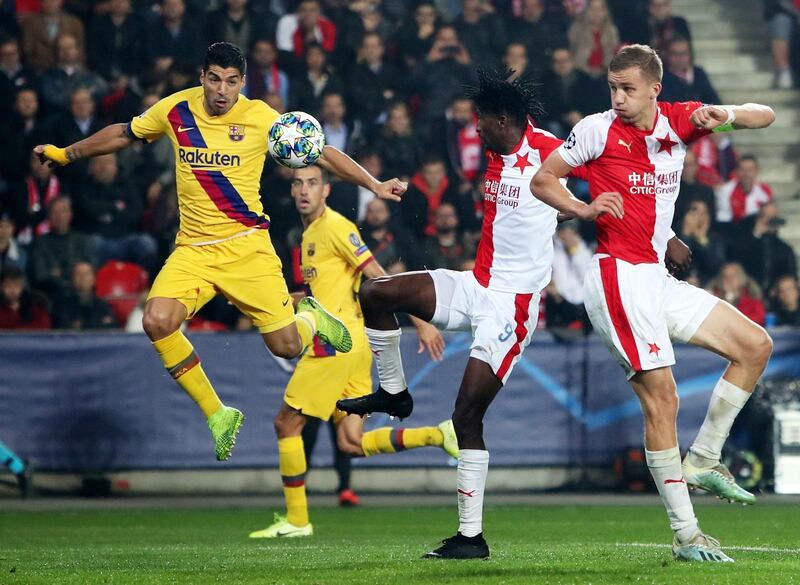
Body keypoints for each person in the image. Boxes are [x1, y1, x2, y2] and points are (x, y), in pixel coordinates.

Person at [34, 42, 407, 462]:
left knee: (285, 346)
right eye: (215, 79)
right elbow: (123, 132)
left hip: (247, 248)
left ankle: (310, 316)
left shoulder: (262, 118)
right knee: (156, 321)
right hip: (192, 250)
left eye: (231, 82)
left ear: (242, 83)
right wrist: (68, 153)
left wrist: (374, 185)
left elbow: (321, 153)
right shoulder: (174, 110)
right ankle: (218, 413)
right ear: (202, 77)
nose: (222, 90)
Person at [336, 69, 605, 560]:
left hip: (513, 306)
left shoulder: (552, 150)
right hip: (475, 284)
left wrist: (590, 210)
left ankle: (470, 536)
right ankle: (395, 394)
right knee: (376, 294)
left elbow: (602, 173)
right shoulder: (495, 153)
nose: (474, 130)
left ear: (503, 120)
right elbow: (528, 209)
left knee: (466, 416)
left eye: (479, 122)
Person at [531, 44, 775, 562]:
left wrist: (725, 116)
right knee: (663, 401)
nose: (617, 98)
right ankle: (687, 536)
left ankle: (705, 460)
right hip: (617, 276)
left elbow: (766, 115)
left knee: (755, 345)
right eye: (613, 87)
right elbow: (542, 178)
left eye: (628, 89)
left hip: (655, 277)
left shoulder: (684, 121)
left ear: (654, 90)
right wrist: (582, 206)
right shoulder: (597, 130)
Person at [248, 164, 453, 539]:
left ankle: (297, 520)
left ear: (325, 191)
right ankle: (439, 435)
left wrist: (419, 318)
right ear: (291, 191)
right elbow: (323, 294)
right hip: (355, 344)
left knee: (286, 423)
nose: (304, 190)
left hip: (335, 344)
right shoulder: (309, 235)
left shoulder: (335, 227)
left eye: (312, 183)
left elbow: (380, 276)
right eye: (298, 183)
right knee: (350, 442)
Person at [52, 260, 117, 329]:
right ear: (72, 279)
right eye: (78, 274)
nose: (83, 277)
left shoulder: (102, 305)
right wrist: (99, 323)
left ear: (94, 279)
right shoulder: (62, 304)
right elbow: (64, 327)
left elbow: (112, 326)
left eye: (87, 274)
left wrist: (82, 324)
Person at [707, 262, 767, 327]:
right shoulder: (712, 297)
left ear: (741, 278)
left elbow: (758, 319)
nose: (728, 279)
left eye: (732, 276)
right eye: (725, 276)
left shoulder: (752, 298)